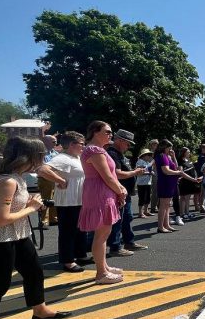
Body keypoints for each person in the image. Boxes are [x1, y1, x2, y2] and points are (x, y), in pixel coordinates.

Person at [0, 137, 71, 319]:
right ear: (29, 157)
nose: (44, 160)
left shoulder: (16, 177)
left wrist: (28, 203)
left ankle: (40, 310)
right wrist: (32, 208)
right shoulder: (7, 181)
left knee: (34, 271)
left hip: (17, 234)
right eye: (41, 156)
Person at [78, 121, 127, 284]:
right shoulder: (94, 150)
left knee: (103, 233)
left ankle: (104, 267)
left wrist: (119, 189)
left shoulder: (98, 150)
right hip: (100, 193)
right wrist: (120, 190)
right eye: (107, 131)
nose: (110, 134)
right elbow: (107, 177)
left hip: (102, 191)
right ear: (95, 132)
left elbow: (111, 176)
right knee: (101, 234)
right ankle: (101, 273)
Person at [37, 131, 88, 272]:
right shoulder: (63, 158)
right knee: (68, 232)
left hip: (78, 201)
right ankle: (67, 261)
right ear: (72, 144)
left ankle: (80, 255)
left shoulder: (75, 158)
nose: (84, 146)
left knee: (80, 230)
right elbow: (42, 169)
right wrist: (59, 180)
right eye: (81, 144)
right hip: (68, 202)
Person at [107, 129, 148, 257]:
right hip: (118, 192)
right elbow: (117, 174)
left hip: (125, 193)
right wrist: (135, 172)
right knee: (118, 220)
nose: (129, 146)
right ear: (119, 140)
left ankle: (128, 242)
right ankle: (115, 246)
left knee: (127, 218)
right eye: (127, 143)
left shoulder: (119, 154)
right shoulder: (112, 154)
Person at [155, 139, 184, 233]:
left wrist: (174, 157)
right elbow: (166, 171)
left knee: (167, 205)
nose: (170, 149)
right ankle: (160, 226)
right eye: (169, 147)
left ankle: (166, 225)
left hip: (170, 183)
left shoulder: (167, 156)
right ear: (164, 147)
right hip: (165, 183)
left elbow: (175, 166)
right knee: (163, 205)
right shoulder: (162, 156)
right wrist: (178, 172)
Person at [37, 135, 59, 228]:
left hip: (55, 178)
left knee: (54, 199)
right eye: (53, 141)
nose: (56, 143)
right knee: (46, 199)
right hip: (45, 179)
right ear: (45, 142)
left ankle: (53, 218)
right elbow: (41, 166)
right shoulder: (41, 153)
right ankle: (44, 221)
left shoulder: (55, 153)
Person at [177, 147, 202, 220]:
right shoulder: (180, 160)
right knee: (184, 198)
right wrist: (192, 179)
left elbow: (193, 170)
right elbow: (181, 172)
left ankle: (185, 213)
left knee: (186, 198)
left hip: (191, 181)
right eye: (188, 152)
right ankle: (183, 213)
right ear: (183, 153)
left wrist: (196, 178)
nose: (189, 153)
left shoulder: (188, 160)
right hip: (185, 181)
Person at [135, 149, 153, 218]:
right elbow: (139, 172)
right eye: (148, 155)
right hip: (141, 183)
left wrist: (151, 172)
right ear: (144, 155)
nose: (149, 156)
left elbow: (149, 169)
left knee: (147, 197)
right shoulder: (140, 162)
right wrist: (149, 173)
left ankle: (146, 210)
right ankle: (140, 212)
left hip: (148, 182)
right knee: (142, 198)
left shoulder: (147, 162)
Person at [194, 144, 205, 213]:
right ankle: (199, 206)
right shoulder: (201, 157)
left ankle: (201, 205)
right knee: (199, 192)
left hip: (204, 176)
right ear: (202, 149)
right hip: (201, 176)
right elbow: (201, 168)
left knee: (202, 192)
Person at [148, 139, 159, 214]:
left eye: (157, 144)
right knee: (154, 191)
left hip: (159, 173)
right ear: (151, 145)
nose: (156, 145)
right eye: (154, 144)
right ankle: (153, 207)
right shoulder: (149, 154)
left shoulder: (158, 153)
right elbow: (148, 164)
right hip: (153, 174)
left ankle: (158, 206)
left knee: (159, 191)